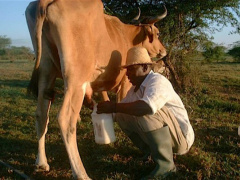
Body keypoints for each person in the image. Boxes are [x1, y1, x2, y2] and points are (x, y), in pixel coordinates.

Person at [97, 47, 194, 179]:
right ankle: (151, 152)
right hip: (169, 137)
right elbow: (117, 113)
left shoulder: (158, 81)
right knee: (122, 114)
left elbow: (145, 108)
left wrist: (114, 106)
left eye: (131, 69)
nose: (127, 74)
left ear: (144, 68)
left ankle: (166, 165)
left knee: (146, 110)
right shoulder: (134, 90)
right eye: (127, 70)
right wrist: (96, 107)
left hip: (181, 139)